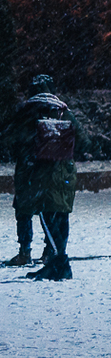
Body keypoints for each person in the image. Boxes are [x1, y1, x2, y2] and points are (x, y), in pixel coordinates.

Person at [4, 75, 82, 281]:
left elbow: (10, 138)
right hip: (64, 174)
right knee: (59, 219)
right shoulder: (64, 111)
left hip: (35, 174)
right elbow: (84, 140)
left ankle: (49, 261)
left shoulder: (27, 112)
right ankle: (55, 260)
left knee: (33, 213)